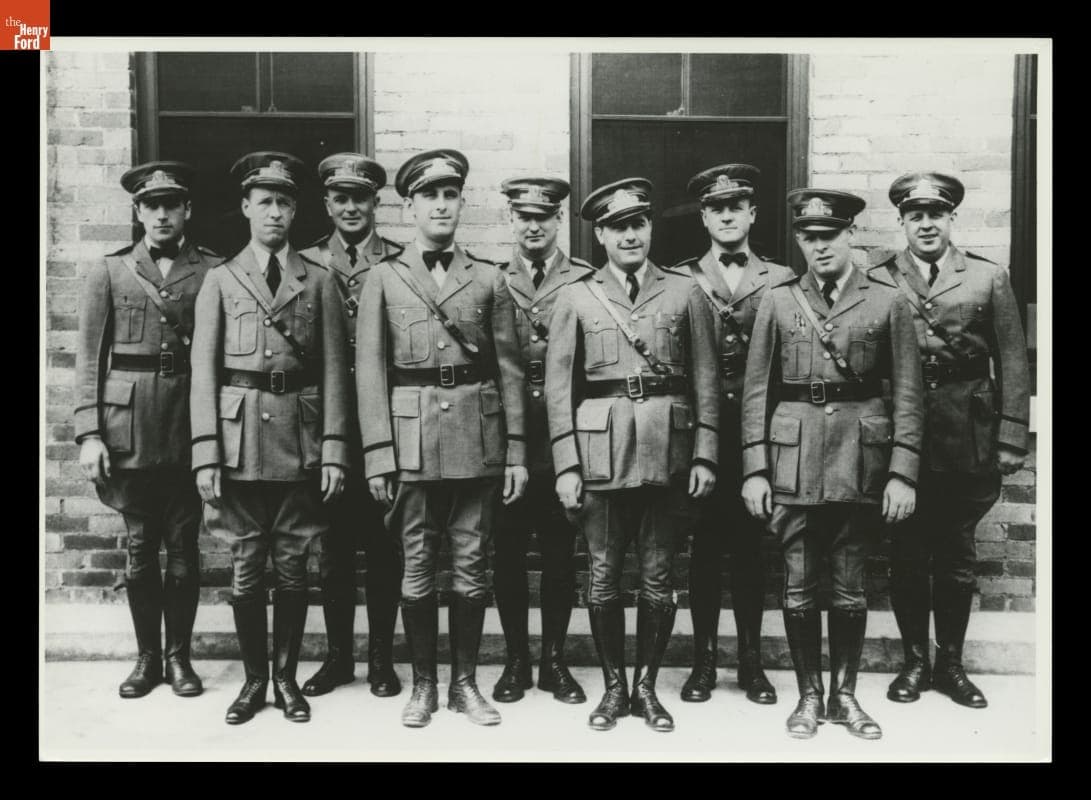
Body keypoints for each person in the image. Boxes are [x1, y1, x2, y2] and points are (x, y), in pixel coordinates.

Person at [740, 188, 924, 740]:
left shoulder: (886, 300)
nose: (818, 247)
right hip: (792, 460)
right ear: (799, 240)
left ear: (850, 236)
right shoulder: (778, 299)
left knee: (849, 586)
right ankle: (808, 696)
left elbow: (909, 393)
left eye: (829, 236)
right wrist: (754, 468)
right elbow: (756, 391)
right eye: (808, 237)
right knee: (797, 586)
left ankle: (845, 697)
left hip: (860, 460)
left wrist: (902, 471)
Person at [356, 149, 528, 728]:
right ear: (409, 206)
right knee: (417, 566)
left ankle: (465, 685)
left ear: (460, 203)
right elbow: (370, 373)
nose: (440, 205)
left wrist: (518, 453)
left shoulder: (488, 278)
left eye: (450, 195)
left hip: (478, 442)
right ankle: (424, 685)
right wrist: (378, 455)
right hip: (410, 442)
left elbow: (510, 371)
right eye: (429, 195)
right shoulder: (384, 277)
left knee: (473, 566)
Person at [545, 178, 720, 733]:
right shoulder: (577, 294)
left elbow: (707, 382)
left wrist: (706, 455)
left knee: (658, 576)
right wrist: (567, 465)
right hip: (599, 455)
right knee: (601, 578)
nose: (629, 235)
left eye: (637, 224)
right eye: (617, 227)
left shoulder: (684, 291)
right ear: (600, 234)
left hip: (668, 453)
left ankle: (646, 687)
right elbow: (558, 390)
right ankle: (613, 688)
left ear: (650, 229)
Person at [189, 151, 350, 725]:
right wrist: (205, 452)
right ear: (245, 208)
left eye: (284, 203)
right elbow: (202, 373)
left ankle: (286, 679)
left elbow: (335, 371)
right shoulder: (221, 280)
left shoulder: (320, 280)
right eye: (264, 203)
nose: (275, 214)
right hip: (238, 443)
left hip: (301, 440)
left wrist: (334, 448)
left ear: (295, 210)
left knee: (293, 565)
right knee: (246, 565)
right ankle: (254, 680)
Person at [876, 172, 1031, 709]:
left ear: (950, 220)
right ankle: (915, 661)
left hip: (969, 432)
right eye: (915, 216)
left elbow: (1012, 357)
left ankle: (952, 664)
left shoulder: (987, 278)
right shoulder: (879, 276)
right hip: (903, 433)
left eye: (935, 215)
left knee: (958, 555)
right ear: (901, 222)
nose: (925, 224)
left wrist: (1012, 436)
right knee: (908, 553)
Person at [75, 161, 219, 700]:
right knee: (139, 550)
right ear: (137, 212)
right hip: (127, 430)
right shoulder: (110, 271)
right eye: (150, 206)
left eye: (171, 205)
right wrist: (89, 432)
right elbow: (88, 358)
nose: (161, 214)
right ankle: (146, 659)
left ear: (187, 211)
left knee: (183, 548)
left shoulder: (212, 271)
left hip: (186, 426)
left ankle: (180, 659)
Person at [672, 164, 794, 705]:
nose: (726, 216)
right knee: (702, 551)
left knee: (751, 550)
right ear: (704, 217)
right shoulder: (679, 280)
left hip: (760, 436)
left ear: (752, 215)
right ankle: (702, 662)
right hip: (700, 437)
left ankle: (751, 660)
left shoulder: (780, 279)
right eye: (716, 208)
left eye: (736, 207)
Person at [298, 153, 404, 699]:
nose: (351, 207)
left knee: (387, 547)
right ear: (328, 204)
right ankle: (339, 657)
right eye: (341, 198)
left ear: (375, 203)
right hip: (327, 425)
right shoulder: (307, 262)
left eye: (360, 198)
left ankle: (382, 660)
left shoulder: (400, 263)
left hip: (386, 424)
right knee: (333, 551)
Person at [489, 177, 593, 706]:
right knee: (506, 553)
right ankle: (514, 660)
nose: (534, 226)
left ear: (559, 222)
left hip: (562, 441)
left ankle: (553, 659)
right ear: (511, 220)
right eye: (524, 216)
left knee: (559, 552)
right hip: (505, 441)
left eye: (544, 217)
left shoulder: (585, 280)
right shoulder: (488, 278)